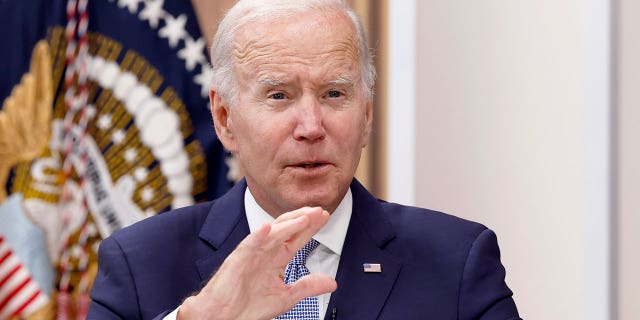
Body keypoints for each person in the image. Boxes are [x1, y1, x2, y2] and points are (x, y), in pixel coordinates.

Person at [88, 0, 521, 319]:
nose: (311, 126)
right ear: (223, 118)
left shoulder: (457, 262)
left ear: (366, 114)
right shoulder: (139, 264)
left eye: (334, 94)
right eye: (279, 96)